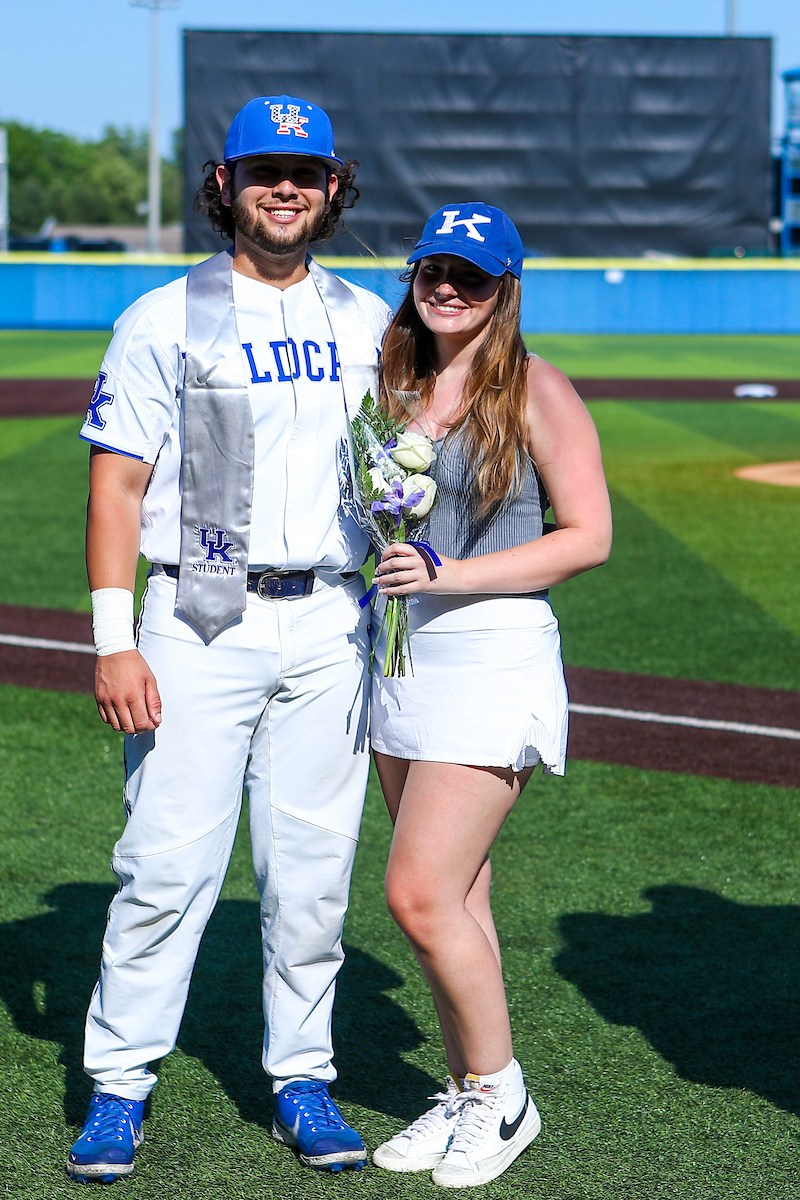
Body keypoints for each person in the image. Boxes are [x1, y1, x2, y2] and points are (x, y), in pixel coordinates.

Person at [67, 95, 392, 1183]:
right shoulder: (164, 316)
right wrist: (116, 642)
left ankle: (302, 1076)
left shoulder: (368, 318)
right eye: (262, 169)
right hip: (197, 618)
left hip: (331, 622)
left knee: (309, 875)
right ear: (224, 184)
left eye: (303, 170)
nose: (283, 187)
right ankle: (119, 1086)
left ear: (334, 185)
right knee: (164, 868)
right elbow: (116, 484)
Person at [369, 203, 612, 1188]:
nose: (447, 289)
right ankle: (469, 1085)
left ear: (502, 289)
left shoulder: (537, 389)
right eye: (434, 270)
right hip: (396, 656)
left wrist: (446, 575)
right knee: (456, 897)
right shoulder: (394, 383)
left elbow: (586, 536)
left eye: (470, 276)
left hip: (490, 650)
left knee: (415, 893)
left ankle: (503, 1095)